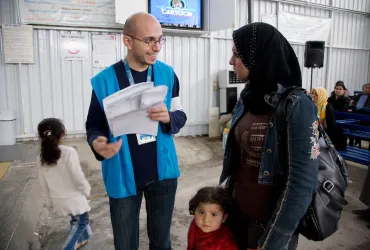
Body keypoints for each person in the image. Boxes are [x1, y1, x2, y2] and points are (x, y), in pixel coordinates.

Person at [85, 13, 187, 250]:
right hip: (122, 176)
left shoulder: (167, 74)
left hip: (163, 175)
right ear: (128, 42)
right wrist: (97, 142)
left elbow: (180, 115)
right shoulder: (104, 81)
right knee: (125, 244)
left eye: (161, 40)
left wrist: (169, 117)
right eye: (149, 40)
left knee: (161, 243)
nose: (157, 47)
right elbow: (94, 125)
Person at [220, 23, 319, 250]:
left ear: (259, 57)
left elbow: (302, 185)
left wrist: (272, 242)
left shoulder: (297, 104)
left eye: (237, 54)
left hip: (267, 229)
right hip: (236, 217)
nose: (230, 61)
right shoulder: (248, 97)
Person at [37, 118, 92, 250]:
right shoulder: (68, 152)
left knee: (77, 219)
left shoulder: (40, 157)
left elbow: (42, 182)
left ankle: (84, 238)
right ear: (62, 134)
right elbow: (77, 176)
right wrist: (86, 189)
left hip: (58, 200)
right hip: (73, 199)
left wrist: (48, 203)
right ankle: (68, 247)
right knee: (82, 221)